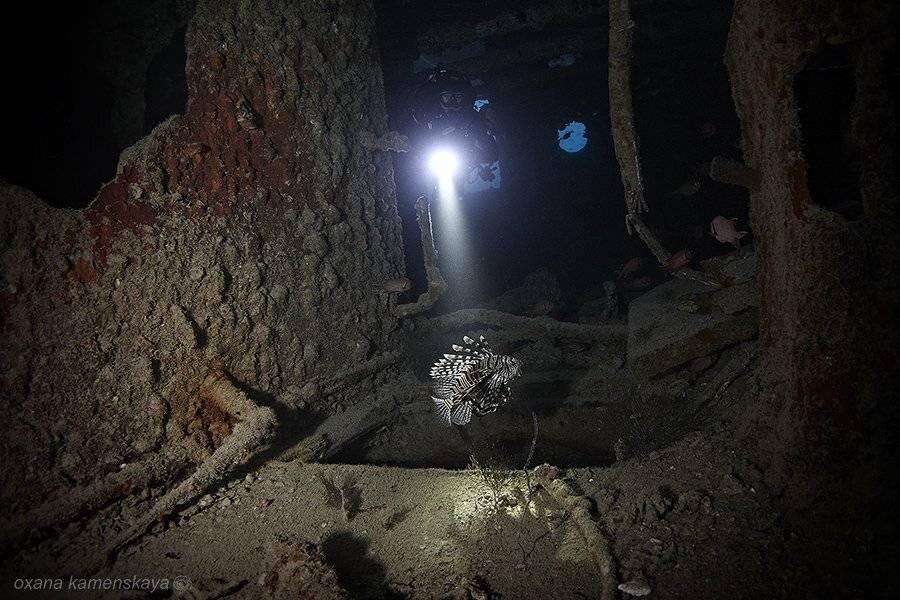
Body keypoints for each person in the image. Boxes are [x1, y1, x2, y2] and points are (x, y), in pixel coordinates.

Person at [410, 68, 499, 180]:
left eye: (457, 97)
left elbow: (492, 154)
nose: (452, 103)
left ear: (464, 98)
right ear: (439, 98)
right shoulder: (427, 115)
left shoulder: (472, 119)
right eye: (447, 97)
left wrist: (478, 145)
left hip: (460, 165)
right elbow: (415, 141)